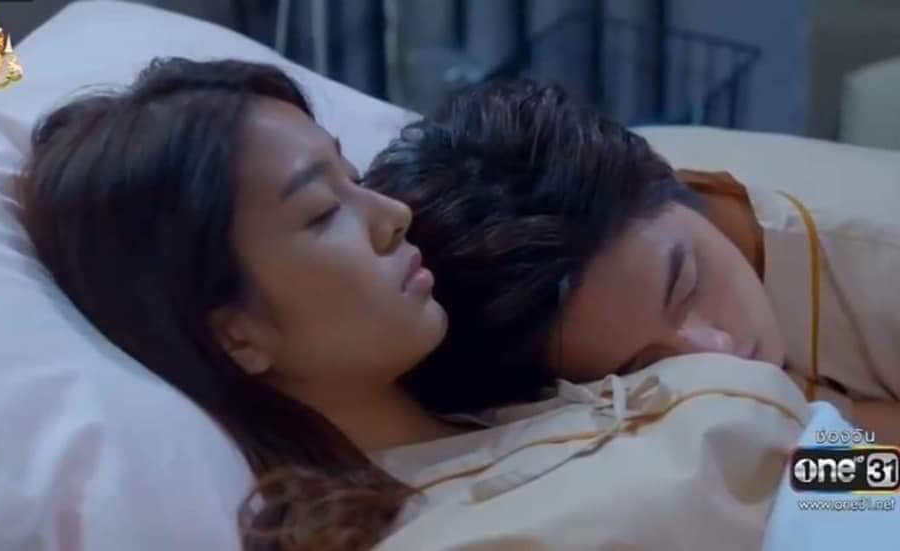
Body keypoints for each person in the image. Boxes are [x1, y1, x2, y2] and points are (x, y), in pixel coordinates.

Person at [17, 57, 463, 550]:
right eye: (323, 211)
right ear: (237, 335)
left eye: (354, 179)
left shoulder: (508, 399)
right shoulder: (421, 535)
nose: (395, 215)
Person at [365, 78, 900, 442]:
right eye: (642, 369)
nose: (718, 350)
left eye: (688, 285)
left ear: (668, 180)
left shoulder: (874, 253)